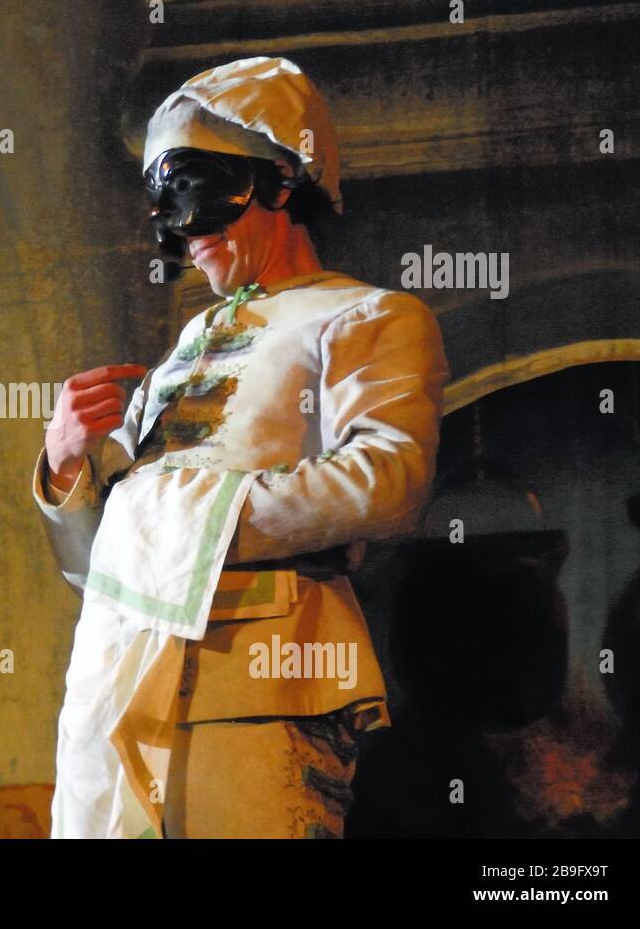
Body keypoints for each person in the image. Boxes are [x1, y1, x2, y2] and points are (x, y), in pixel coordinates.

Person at [34, 57, 450, 838]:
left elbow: (392, 478)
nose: (175, 231)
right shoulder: (192, 339)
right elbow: (103, 560)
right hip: (124, 676)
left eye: (187, 189)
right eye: (159, 202)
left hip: (262, 687)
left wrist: (192, 514)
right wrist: (66, 465)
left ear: (278, 179)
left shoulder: (368, 314)